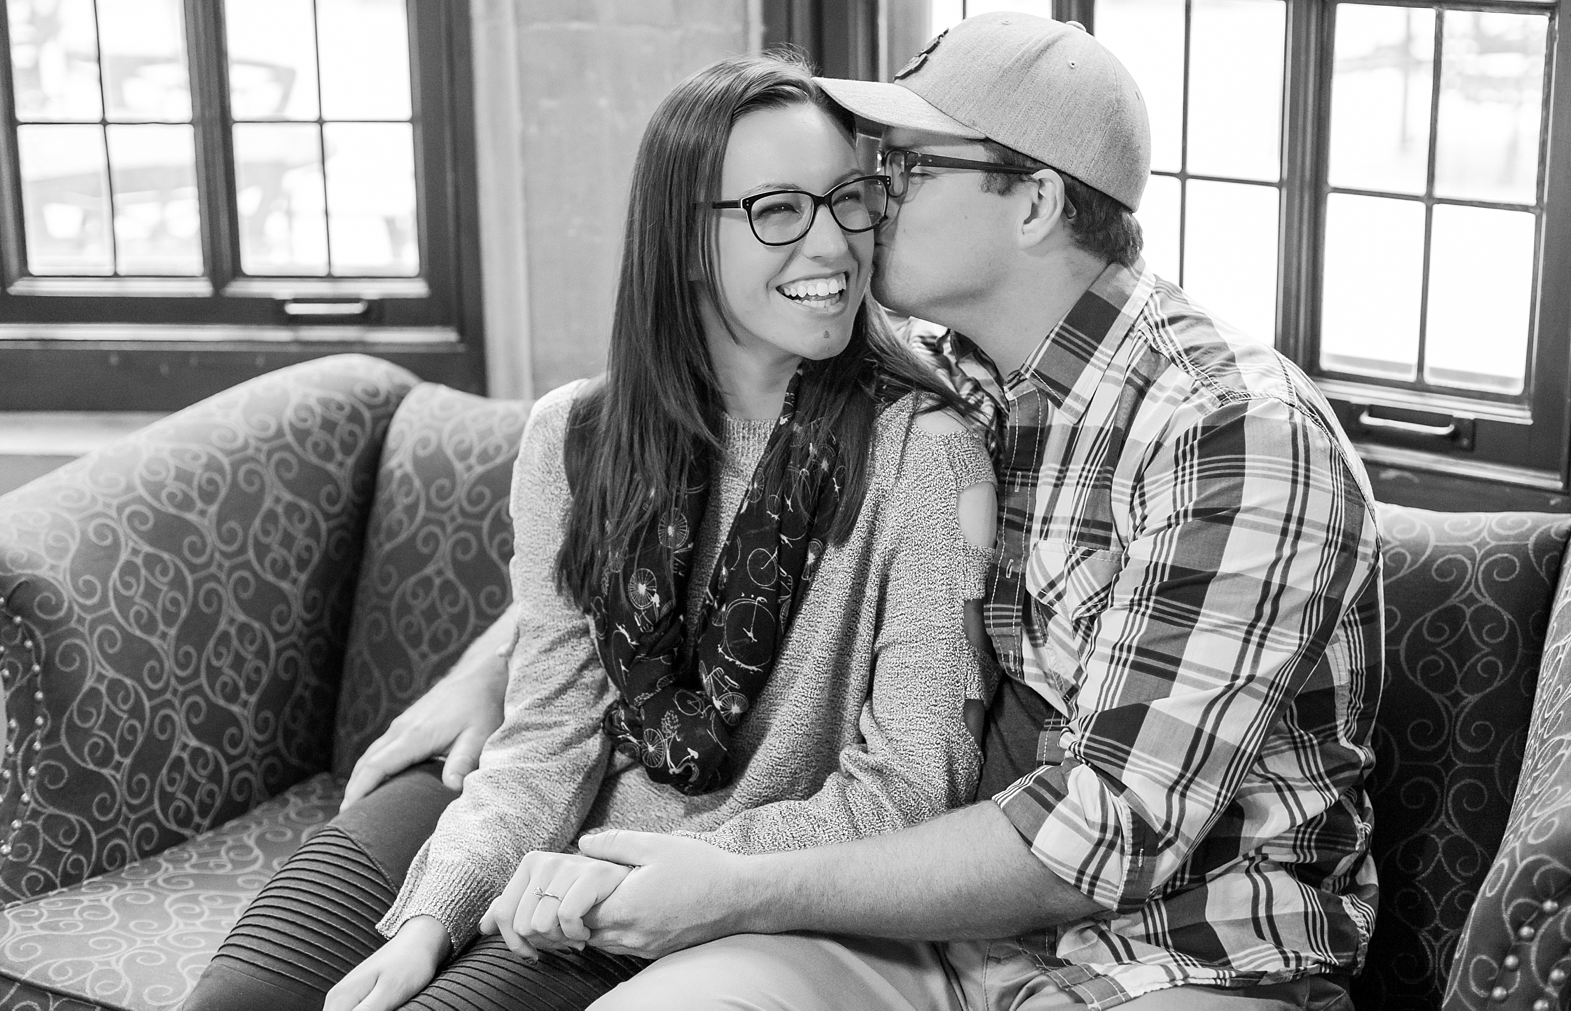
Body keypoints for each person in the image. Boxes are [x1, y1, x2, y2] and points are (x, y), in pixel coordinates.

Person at [568, 12, 1385, 1011]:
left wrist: (739, 888)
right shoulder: (945, 376)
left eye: (906, 164)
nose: (868, 201)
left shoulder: (1231, 435)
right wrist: (517, 657)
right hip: (929, 948)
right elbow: (688, 482)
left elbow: (1102, 834)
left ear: (1034, 199)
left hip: (1178, 961)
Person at [186, 53, 1000, 1010]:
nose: (832, 245)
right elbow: (544, 740)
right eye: (778, 210)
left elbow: (911, 788)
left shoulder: (924, 456)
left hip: (695, 884)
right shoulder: (575, 439)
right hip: (531, 817)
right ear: (684, 240)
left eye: (848, 199)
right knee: (238, 999)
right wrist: (428, 921)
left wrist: (655, 872)